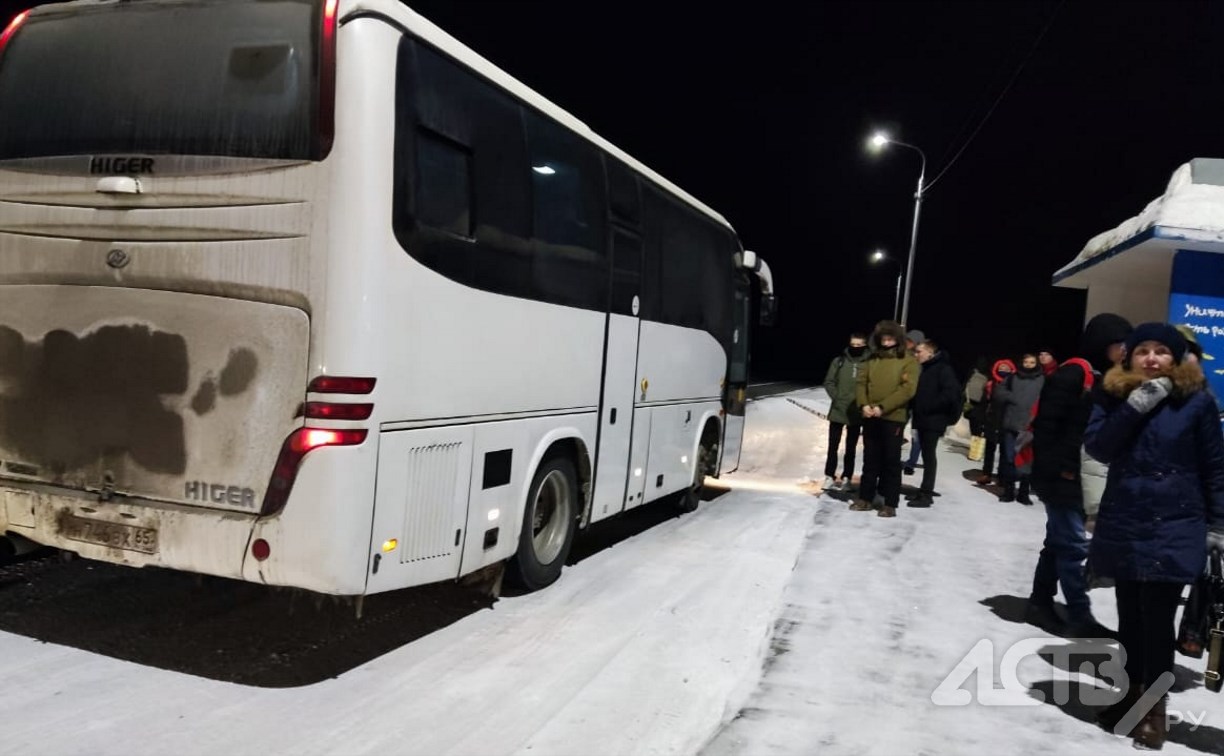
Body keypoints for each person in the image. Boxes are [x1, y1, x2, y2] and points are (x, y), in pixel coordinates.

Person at [1085, 323, 1224, 749]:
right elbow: (1099, 448)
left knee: (1157, 619)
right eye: (1142, 350)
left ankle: (1154, 711)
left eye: (1161, 351)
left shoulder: (1197, 402)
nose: (1151, 358)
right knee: (1128, 615)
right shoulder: (1113, 396)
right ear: (1128, 357)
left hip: (1176, 521)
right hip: (1126, 518)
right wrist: (1134, 407)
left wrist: (1218, 525)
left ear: (1176, 358)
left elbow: (1216, 468)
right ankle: (1128, 695)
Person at [1026, 312, 1133, 639]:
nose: (1125, 351)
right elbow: (1046, 428)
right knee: (1073, 545)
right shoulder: (1073, 374)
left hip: (1080, 476)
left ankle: (1040, 602)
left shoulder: (1105, 377)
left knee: (1057, 543)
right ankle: (1079, 614)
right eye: (1120, 344)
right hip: (1064, 476)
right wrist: (1053, 474)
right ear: (1104, 344)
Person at [851, 320, 919, 518]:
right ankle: (865, 498)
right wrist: (863, 404)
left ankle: (890, 502)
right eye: (883, 338)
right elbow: (861, 383)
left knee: (890, 461)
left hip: (893, 417)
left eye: (890, 338)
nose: (887, 342)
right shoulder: (871, 359)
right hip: (870, 415)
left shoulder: (908, 360)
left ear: (897, 339)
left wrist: (883, 407)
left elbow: (907, 390)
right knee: (870, 459)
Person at [906, 339, 961, 507]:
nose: (916, 355)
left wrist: (928, 407)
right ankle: (924, 490)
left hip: (934, 420)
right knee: (926, 454)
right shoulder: (924, 368)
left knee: (929, 455)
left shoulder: (943, 369)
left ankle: (926, 494)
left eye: (919, 352)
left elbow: (950, 395)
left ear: (930, 352)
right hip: (923, 418)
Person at [993, 353, 1044, 504]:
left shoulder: (1042, 379)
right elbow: (998, 391)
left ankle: (1023, 492)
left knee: (1027, 460)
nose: (1028, 364)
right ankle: (1008, 491)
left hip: (1030, 425)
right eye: (1026, 362)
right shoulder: (1013, 377)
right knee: (1009, 458)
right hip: (1011, 422)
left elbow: (1047, 398)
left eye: (1032, 362)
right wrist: (1012, 398)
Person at [821, 333, 869, 490]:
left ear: (865, 345)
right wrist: (837, 397)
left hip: (857, 411)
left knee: (851, 447)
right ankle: (829, 475)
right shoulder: (839, 361)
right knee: (833, 445)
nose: (855, 348)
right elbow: (829, 381)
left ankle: (847, 476)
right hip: (838, 410)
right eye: (853, 345)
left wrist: (864, 403)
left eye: (859, 345)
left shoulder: (870, 362)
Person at [975, 358, 1015, 486]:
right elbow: (984, 403)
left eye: (1006, 368)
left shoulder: (1014, 385)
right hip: (992, 420)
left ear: (1011, 370)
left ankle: (1002, 476)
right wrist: (981, 420)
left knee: (1005, 450)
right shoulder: (990, 384)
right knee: (989, 449)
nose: (1003, 370)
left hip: (1007, 420)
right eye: (1001, 368)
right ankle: (986, 473)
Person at [902, 329, 926, 474]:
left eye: (910, 341)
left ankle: (912, 462)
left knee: (916, 435)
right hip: (903, 400)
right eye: (907, 340)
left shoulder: (922, 359)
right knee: (896, 430)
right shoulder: (902, 356)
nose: (907, 343)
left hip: (917, 401)